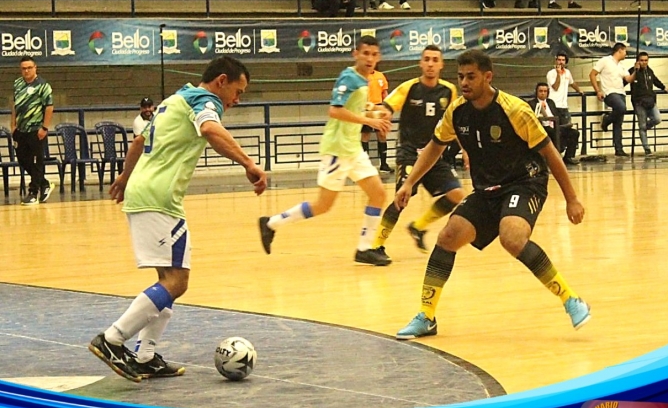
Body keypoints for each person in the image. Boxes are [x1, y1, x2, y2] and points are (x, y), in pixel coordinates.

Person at [88, 57, 267, 382]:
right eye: (238, 91)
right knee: (177, 281)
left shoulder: (174, 100)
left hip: (145, 193)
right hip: (160, 198)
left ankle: (145, 356)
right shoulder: (205, 100)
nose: (237, 100)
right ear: (221, 81)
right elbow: (210, 129)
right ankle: (112, 339)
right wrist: (249, 163)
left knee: (167, 279)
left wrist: (126, 177)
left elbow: (139, 142)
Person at [394, 50, 590, 340]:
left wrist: (571, 199)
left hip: (524, 183)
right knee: (448, 237)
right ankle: (426, 316)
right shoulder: (457, 111)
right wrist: (409, 183)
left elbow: (550, 153)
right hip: (486, 190)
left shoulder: (515, 110)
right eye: (461, 77)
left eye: (471, 77)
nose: (464, 83)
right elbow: (435, 146)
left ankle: (571, 299)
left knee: (512, 237)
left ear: (488, 77)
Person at [258, 35, 393, 266]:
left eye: (373, 54)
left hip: (353, 149)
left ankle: (364, 249)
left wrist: (377, 114)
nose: (369, 58)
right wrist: (369, 121)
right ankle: (271, 223)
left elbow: (357, 108)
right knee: (323, 205)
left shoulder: (366, 80)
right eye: (365, 53)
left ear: (378, 57)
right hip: (337, 149)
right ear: (356, 54)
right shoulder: (348, 77)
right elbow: (335, 110)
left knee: (378, 194)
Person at [372, 45, 465, 258]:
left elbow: (456, 121)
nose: (431, 64)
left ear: (441, 65)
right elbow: (387, 107)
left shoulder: (449, 90)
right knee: (401, 199)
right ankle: (376, 245)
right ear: (420, 63)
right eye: (427, 59)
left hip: (434, 155)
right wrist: (379, 115)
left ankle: (418, 227)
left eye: (435, 60)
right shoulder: (409, 87)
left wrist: (466, 150)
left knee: (457, 195)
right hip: (409, 153)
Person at [11, 56, 55, 206]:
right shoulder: (17, 84)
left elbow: (49, 107)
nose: (26, 71)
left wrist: (44, 128)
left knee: (36, 161)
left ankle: (33, 192)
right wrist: (13, 125)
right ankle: (44, 183)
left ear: (35, 68)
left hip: (36, 130)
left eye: (29, 68)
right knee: (23, 160)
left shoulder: (43, 86)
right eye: (23, 68)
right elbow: (15, 105)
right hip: (20, 130)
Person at [589, 42, 637, 157]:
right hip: (609, 92)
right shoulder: (605, 60)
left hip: (621, 93)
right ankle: (606, 120)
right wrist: (598, 90)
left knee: (618, 122)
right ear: (619, 50)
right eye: (625, 51)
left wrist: (636, 70)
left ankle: (618, 148)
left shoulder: (621, 66)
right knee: (621, 108)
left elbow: (629, 79)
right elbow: (592, 74)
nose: (626, 54)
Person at [627, 52, 668, 156]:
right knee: (642, 125)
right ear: (638, 61)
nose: (644, 62)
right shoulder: (632, 71)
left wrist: (663, 87)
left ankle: (644, 128)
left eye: (646, 60)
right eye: (642, 60)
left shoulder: (649, 71)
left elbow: (655, 81)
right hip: (639, 102)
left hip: (650, 100)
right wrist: (635, 70)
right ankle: (647, 148)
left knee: (657, 119)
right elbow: (626, 81)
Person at [528, 82, 580, 166]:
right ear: (536, 92)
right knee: (552, 132)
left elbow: (556, 115)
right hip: (543, 128)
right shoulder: (532, 103)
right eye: (541, 91)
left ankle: (569, 157)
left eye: (545, 91)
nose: (543, 93)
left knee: (574, 133)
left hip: (556, 126)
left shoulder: (550, 102)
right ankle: (554, 158)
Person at [546, 51, 583, 163]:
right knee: (556, 132)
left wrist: (579, 90)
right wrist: (558, 74)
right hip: (553, 106)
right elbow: (555, 87)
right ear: (555, 61)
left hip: (564, 107)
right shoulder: (551, 73)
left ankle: (569, 156)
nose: (561, 62)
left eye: (563, 60)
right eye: (559, 60)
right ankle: (555, 155)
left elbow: (572, 82)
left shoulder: (567, 73)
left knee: (569, 130)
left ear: (566, 62)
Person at [361, 66, 390, 171]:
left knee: (382, 134)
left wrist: (387, 108)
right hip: (366, 107)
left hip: (379, 107)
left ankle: (384, 164)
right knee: (365, 135)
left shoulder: (380, 75)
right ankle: (365, 165)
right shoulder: (362, 76)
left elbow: (384, 93)